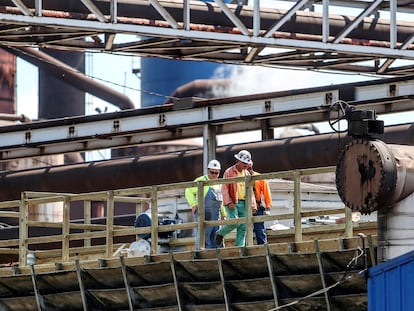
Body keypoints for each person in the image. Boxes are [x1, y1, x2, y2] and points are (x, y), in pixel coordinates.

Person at [215, 150, 257, 247]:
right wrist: (228, 201)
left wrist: (253, 205)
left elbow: (250, 190)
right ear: (238, 161)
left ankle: (240, 247)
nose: (246, 165)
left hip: (244, 202)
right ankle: (220, 233)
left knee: (243, 226)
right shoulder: (229, 172)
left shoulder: (247, 173)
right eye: (244, 163)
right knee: (234, 221)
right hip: (233, 201)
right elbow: (224, 188)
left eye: (247, 163)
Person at [185, 159, 223, 249]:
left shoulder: (219, 184)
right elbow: (188, 190)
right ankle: (201, 252)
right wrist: (193, 204)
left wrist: (224, 213)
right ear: (208, 170)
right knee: (203, 234)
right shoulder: (201, 181)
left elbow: (222, 201)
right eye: (212, 172)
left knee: (216, 233)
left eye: (216, 173)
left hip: (216, 216)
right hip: (203, 213)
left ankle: (217, 253)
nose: (214, 175)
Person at [247, 161, 272, 245]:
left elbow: (266, 191)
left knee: (259, 231)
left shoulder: (259, 178)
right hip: (244, 207)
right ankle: (246, 250)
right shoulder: (239, 178)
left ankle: (263, 250)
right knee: (244, 231)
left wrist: (268, 206)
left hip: (257, 207)